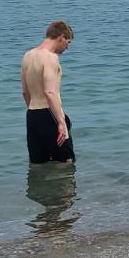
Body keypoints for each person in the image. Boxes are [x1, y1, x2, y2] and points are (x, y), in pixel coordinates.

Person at [21, 20, 75, 164]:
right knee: (65, 164)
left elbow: (25, 93)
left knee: (38, 164)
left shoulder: (28, 56)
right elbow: (50, 92)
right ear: (61, 37)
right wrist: (61, 123)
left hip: (32, 116)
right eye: (68, 42)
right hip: (50, 116)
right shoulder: (50, 58)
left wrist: (36, 115)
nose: (67, 47)